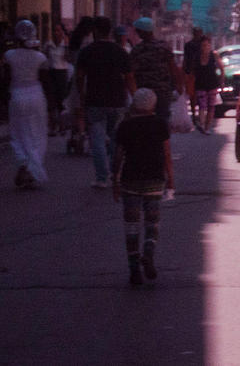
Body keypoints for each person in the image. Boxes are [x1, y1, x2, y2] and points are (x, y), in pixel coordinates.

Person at [112, 88, 174, 286]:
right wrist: (171, 178)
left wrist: (114, 180)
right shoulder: (160, 124)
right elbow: (166, 154)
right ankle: (148, 252)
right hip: (155, 179)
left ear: (134, 105)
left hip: (130, 180)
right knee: (152, 222)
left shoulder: (125, 126)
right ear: (153, 105)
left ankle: (133, 268)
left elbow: (119, 156)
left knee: (131, 226)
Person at [75, 16, 134, 188]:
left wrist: (81, 95)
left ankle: (102, 178)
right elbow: (130, 78)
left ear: (95, 31)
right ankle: (116, 174)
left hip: (95, 100)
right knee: (116, 139)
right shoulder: (120, 52)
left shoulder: (87, 51)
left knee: (98, 140)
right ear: (109, 32)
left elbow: (79, 76)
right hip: (117, 101)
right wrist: (135, 96)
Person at [3, 19, 51, 189]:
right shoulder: (40, 57)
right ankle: (33, 168)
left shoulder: (9, 56)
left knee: (18, 133)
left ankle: (23, 162)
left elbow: (6, 77)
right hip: (36, 96)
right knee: (37, 133)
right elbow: (46, 81)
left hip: (17, 95)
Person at [129, 17, 184, 122]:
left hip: (144, 92)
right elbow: (173, 67)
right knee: (162, 119)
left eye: (138, 31)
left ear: (142, 32)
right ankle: (162, 137)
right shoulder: (164, 46)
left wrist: (133, 92)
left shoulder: (137, 50)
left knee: (143, 120)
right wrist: (178, 84)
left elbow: (131, 72)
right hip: (163, 90)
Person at [192, 36, 224, 134]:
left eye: (206, 45)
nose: (204, 47)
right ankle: (202, 124)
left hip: (212, 84)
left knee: (211, 106)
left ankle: (207, 127)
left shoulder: (214, 55)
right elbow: (193, 71)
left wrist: (222, 81)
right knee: (202, 105)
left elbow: (221, 68)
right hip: (200, 84)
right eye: (203, 45)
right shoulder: (197, 56)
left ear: (210, 45)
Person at [43, 21, 70, 134]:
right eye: (54, 30)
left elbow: (68, 59)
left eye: (58, 30)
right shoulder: (48, 44)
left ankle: (62, 126)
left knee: (61, 100)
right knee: (51, 100)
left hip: (62, 72)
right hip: (51, 72)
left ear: (62, 32)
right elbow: (44, 58)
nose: (56, 33)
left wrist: (67, 45)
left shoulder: (65, 44)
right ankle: (52, 126)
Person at [182, 27, 203, 122]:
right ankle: (194, 113)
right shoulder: (188, 45)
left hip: (202, 72)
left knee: (200, 93)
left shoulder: (203, 45)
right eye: (197, 33)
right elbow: (186, 59)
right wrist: (185, 72)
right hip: (191, 72)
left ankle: (200, 113)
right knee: (192, 94)